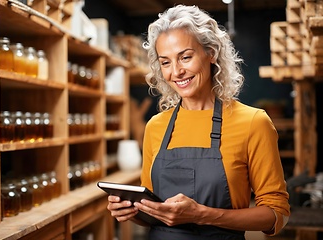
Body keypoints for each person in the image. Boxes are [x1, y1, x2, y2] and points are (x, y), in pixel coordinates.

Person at [106, 4, 290, 239]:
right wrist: (131, 211)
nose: (176, 72)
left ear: (211, 53)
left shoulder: (253, 122)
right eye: (165, 62)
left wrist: (201, 214)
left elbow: (277, 214)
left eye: (185, 57)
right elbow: (153, 212)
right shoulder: (155, 127)